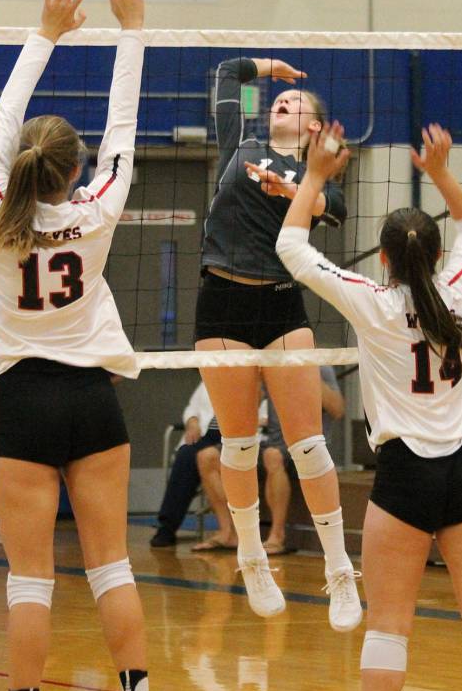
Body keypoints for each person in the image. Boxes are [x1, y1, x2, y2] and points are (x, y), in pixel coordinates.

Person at [276, 121, 462, 691]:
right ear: (434, 255)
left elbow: (291, 247)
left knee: (389, 623)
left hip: (404, 476)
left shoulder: (374, 303)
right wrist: (442, 173)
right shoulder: (457, 292)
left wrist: (315, 175)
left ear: (386, 261)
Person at [0, 0, 164, 691]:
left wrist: (45, 33)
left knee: (30, 580)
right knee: (111, 565)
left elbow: (1, 122)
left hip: (22, 400)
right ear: (74, 172)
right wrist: (132, 30)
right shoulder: (98, 211)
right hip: (92, 400)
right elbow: (122, 129)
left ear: (22, 166)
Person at [194, 55, 362, 630]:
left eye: (295, 104)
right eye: (279, 103)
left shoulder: (316, 174)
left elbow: (335, 209)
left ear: (313, 127)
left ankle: (339, 568)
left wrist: (299, 184)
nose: (281, 105)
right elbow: (230, 74)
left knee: (308, 445)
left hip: (282, 305)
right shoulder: (239, 141)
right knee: (238, 444)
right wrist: (272, 71)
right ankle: (250, 556)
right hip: (222, 305)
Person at [259, 366, 345, 555]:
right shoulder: (270, 363)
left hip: (311, 441)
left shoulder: (320, 367)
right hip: (273, 441)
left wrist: (308, 373)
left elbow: (338, 409)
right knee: (214, 455)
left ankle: (277, 535)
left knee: (273, 456)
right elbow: (253, 400)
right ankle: (233, 534)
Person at [150, 381, 237, 550]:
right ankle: (167, 527)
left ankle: (231, 531)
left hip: (231, 437)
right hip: (205, 436)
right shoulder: (208, 379)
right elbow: (192, 408)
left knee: (202, 456)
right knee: (186, 456)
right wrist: (192, 422)